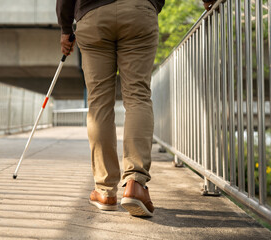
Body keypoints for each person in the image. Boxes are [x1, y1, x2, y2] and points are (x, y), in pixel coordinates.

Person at [56, 0, 216, 217]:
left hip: (93, 15)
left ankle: (105, 191)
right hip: (138, 11)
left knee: (99, 104)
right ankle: (135, 184)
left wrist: (66, 29)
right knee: (137, 97)